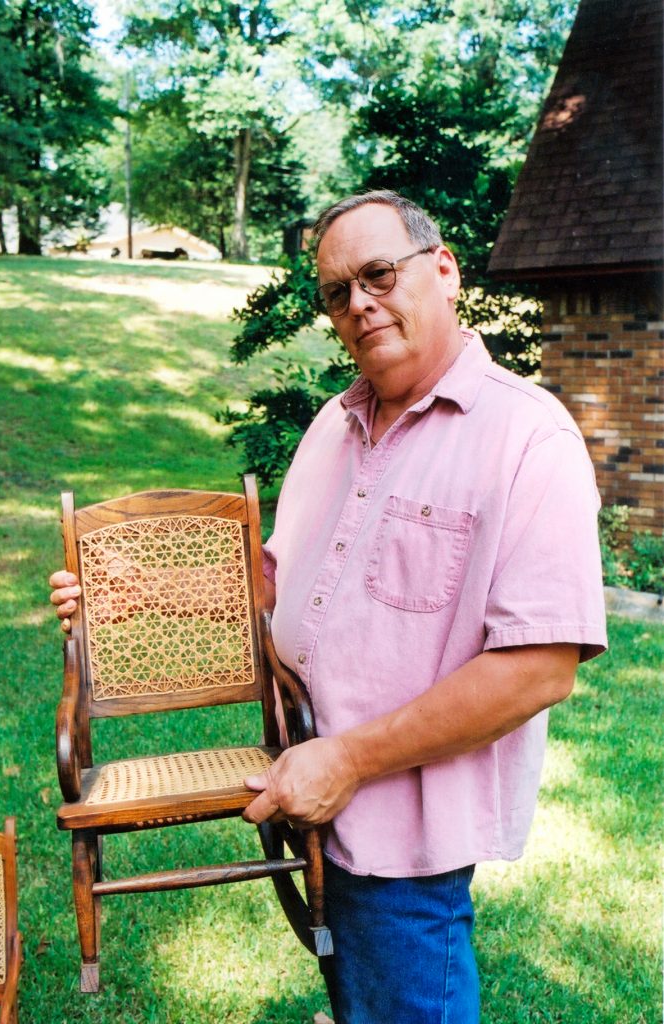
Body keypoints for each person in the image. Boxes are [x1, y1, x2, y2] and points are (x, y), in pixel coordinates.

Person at [50, 190, 607, 1024]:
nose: (359, 304)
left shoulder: (528, 438)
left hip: (397, 833)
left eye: (379, 274)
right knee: (360, 1004)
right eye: (337, 292)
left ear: (444, 269)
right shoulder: (333, 425)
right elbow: (274, 587)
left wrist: (345, 760)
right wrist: (135, 594)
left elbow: (538, 669)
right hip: (309, 801)